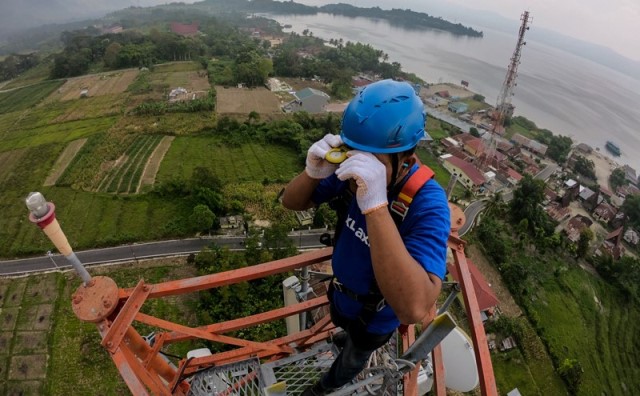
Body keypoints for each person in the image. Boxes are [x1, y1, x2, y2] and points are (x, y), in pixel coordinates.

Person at [281, 79, 450, 395]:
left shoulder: (427, 203)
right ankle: (344, 337)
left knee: (352, 360)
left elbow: (414, 309)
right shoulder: (349, 177)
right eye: (355, 153)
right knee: (344, 332)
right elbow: (292, 202)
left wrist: (375, 205)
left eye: (372, 160)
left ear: (406, 161)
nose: (359, 167)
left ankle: (325, 387)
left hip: (376, 320)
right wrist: (312, 173)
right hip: (341, 298)